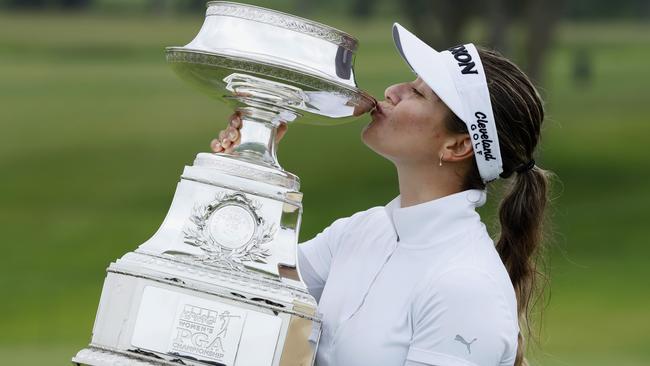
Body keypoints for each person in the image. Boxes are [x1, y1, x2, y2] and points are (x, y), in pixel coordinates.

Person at [212, 23, 551, 366]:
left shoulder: (466, 285)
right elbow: (238, 282)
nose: (392, 90)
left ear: (458, 145)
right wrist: (244, 164)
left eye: (418, 94)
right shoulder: (361, 231)